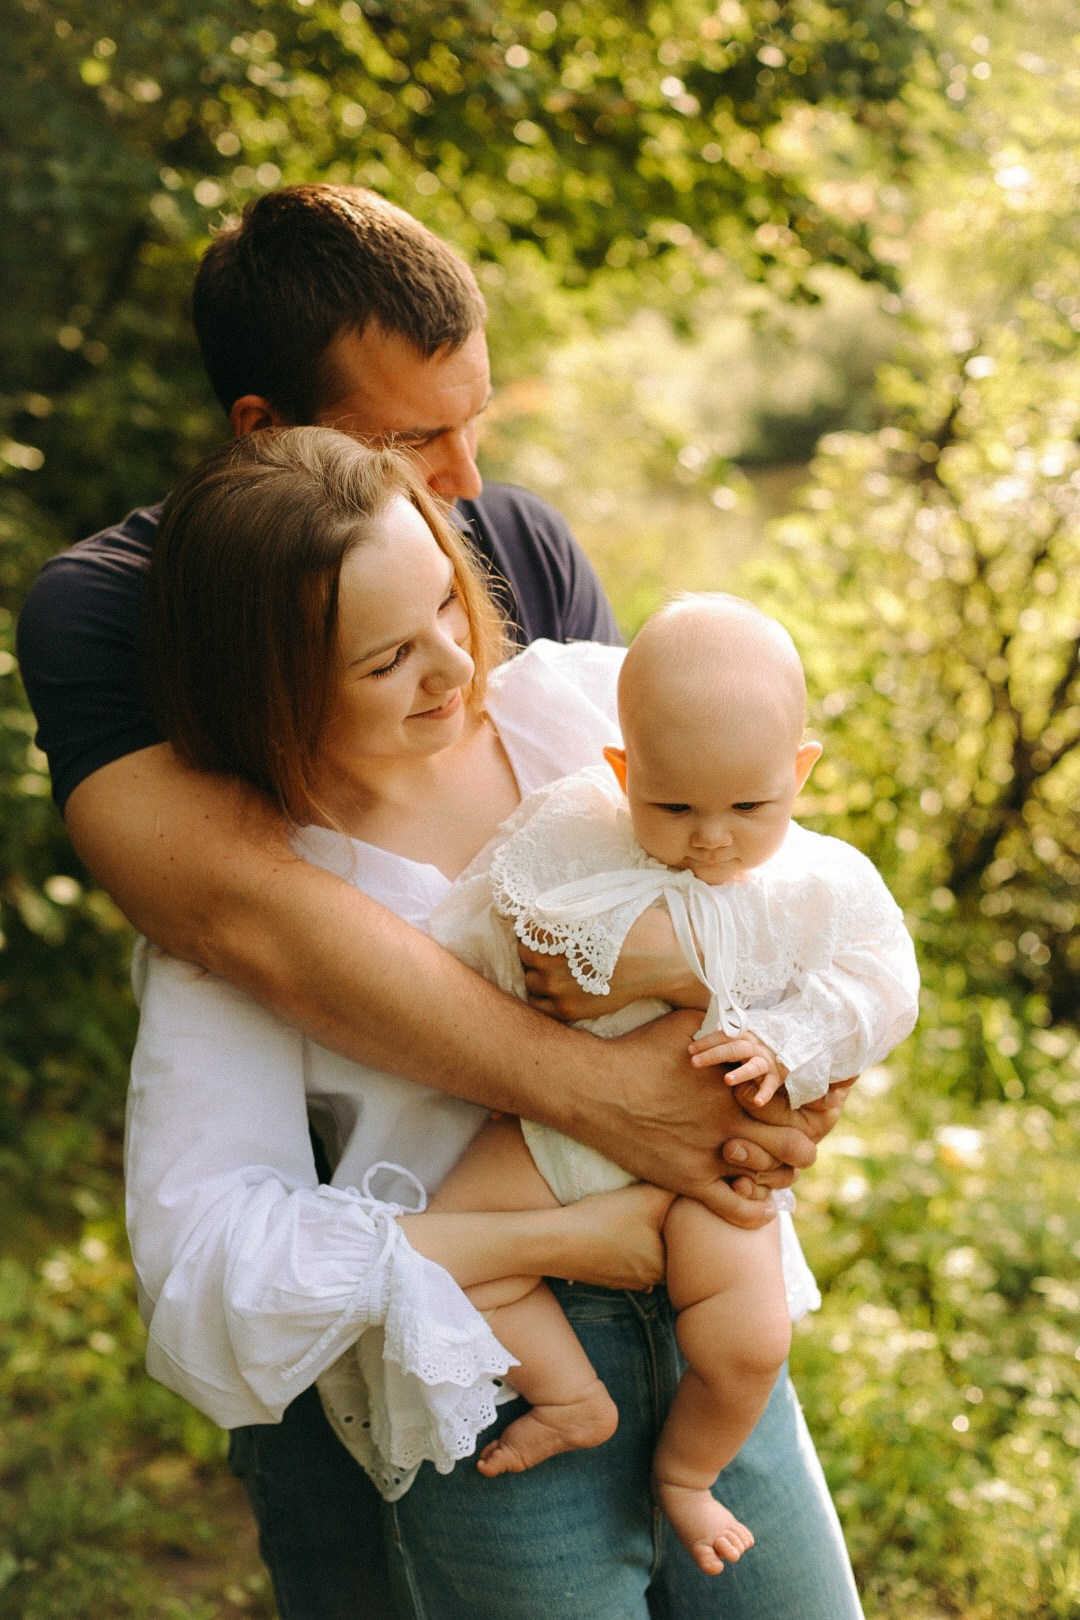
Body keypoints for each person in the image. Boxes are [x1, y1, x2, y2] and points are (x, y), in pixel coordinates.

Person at [16, 185, 859, 1618]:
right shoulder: (114, 613)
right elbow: (246, 923)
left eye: (475, 423)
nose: (469, 487)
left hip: (696, 1293)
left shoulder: (521, 608)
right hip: (444, 1365)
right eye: (415, 442)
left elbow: (717, 863)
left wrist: (791, 1058)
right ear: (269, 430)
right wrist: (592, 1148)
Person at [422, 593, 919, 1576]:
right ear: (622, 772)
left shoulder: (823, 885)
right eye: (673, 806)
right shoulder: (575, 831)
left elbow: (884, 988)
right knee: (444, 1258)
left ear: (800, 773)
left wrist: (786, 1037)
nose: (711, 841)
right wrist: (489, 1034)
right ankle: (570, 1397)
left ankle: (687, 1476)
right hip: (560, 1129)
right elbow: (485, 928)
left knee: (748, 1342)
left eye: (749, 807)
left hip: (710, 1165)